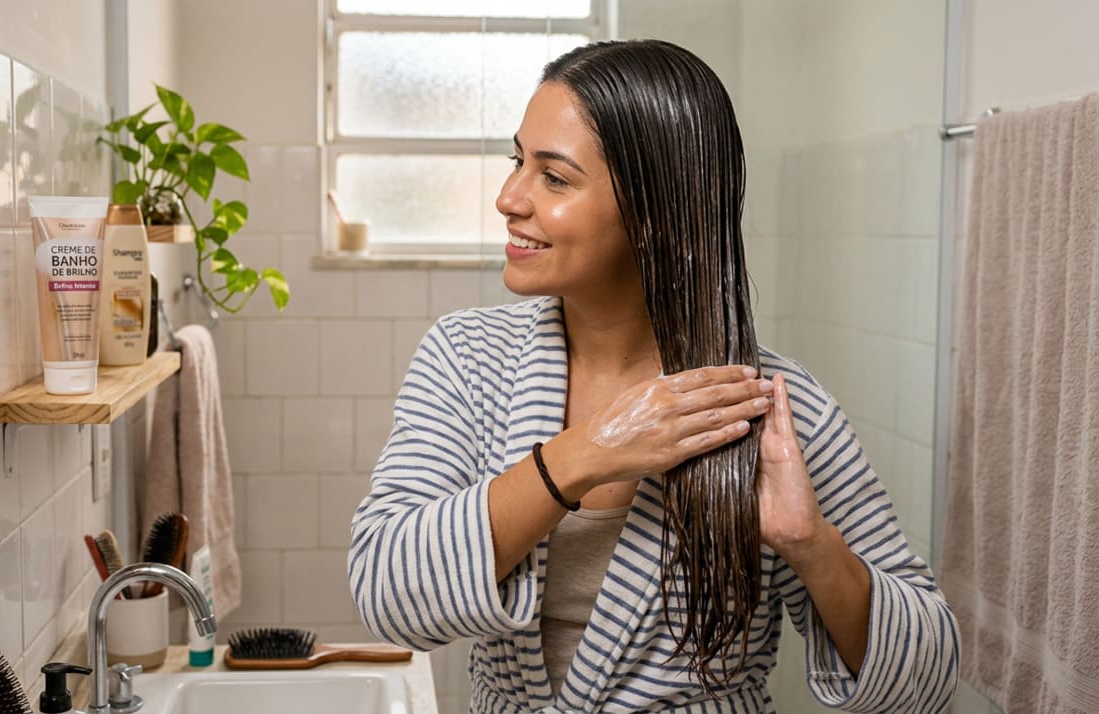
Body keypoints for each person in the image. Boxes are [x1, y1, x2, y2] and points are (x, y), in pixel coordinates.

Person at [348, 39, 958, 713]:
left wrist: (808, 544)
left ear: (653, 214)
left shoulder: (766, 405)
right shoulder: (467, 360)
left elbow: (926, 681)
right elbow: (386, 591)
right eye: (518, 160)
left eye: (554, 178)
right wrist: (582, 455)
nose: (508, 198)